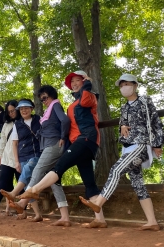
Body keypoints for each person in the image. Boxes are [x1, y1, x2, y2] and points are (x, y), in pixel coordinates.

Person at [18, 70, 107, 228]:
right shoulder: (73, 103)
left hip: (86, 139)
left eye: (77, 80)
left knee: (58, 167)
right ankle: (100, 219)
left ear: (84, 81)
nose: (74, 84)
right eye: (72, 82)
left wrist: (88, 83)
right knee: (89, 183)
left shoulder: (89, 96)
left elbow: (86, 102)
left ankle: (35, 189)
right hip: (79, 142)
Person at [79, 74, 164, 231]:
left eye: (127, 84)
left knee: (116, 170)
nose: (124, 87)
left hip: (142, 144)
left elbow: (155, 122)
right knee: (138, 183)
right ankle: (152, 221)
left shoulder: (145, 101)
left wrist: (158, 144)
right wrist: (122, 127)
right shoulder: (124, 107)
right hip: (128, 147)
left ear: (135, 85)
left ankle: (97, 203)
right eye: (121, 85)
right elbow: (123, 125)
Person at [5, 85, 72, 226]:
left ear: (52, 95)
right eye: (42, 99)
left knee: (37, 170)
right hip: (48, 146)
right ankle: (65, 217)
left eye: (45, 97)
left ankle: (22, 202)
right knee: (54, 181)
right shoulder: (47, 111)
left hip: (52, 146)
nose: (44, 100)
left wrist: (63, 137)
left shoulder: (55, 106)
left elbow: (65, 121)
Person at [0, 99, 43, 222]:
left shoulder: (39, 120)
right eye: (21, 109)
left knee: (29, 169)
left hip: (36, 154)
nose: (24, 110)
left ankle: (13, 194)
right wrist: (16, 162)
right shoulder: (17, 124)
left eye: (26, 108)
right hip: (22, 156)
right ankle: (37, 214)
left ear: (32, 109)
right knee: (29, 184)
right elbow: (14, 144)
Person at [0, 100, 21, 219]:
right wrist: (0, 154)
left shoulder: (23, 121)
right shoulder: (6, 124)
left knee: (20, 181)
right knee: (2, 181)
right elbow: (2, 141)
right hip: (7, 156)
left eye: (13, 110)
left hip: (20, 156)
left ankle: (21, 209)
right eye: (9, 111)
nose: (12, 113)